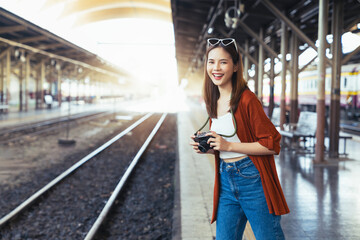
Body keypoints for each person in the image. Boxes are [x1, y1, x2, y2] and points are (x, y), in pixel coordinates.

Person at [190, 38, 289, 240]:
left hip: (252, 179)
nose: (216, 68)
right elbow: (228, 144)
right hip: (225, 180)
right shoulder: (213, 100)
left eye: (223, 62)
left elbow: (272, 143)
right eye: (211, 61)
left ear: (235, 66)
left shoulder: (246, 99)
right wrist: (210, 148)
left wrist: (228, 145)